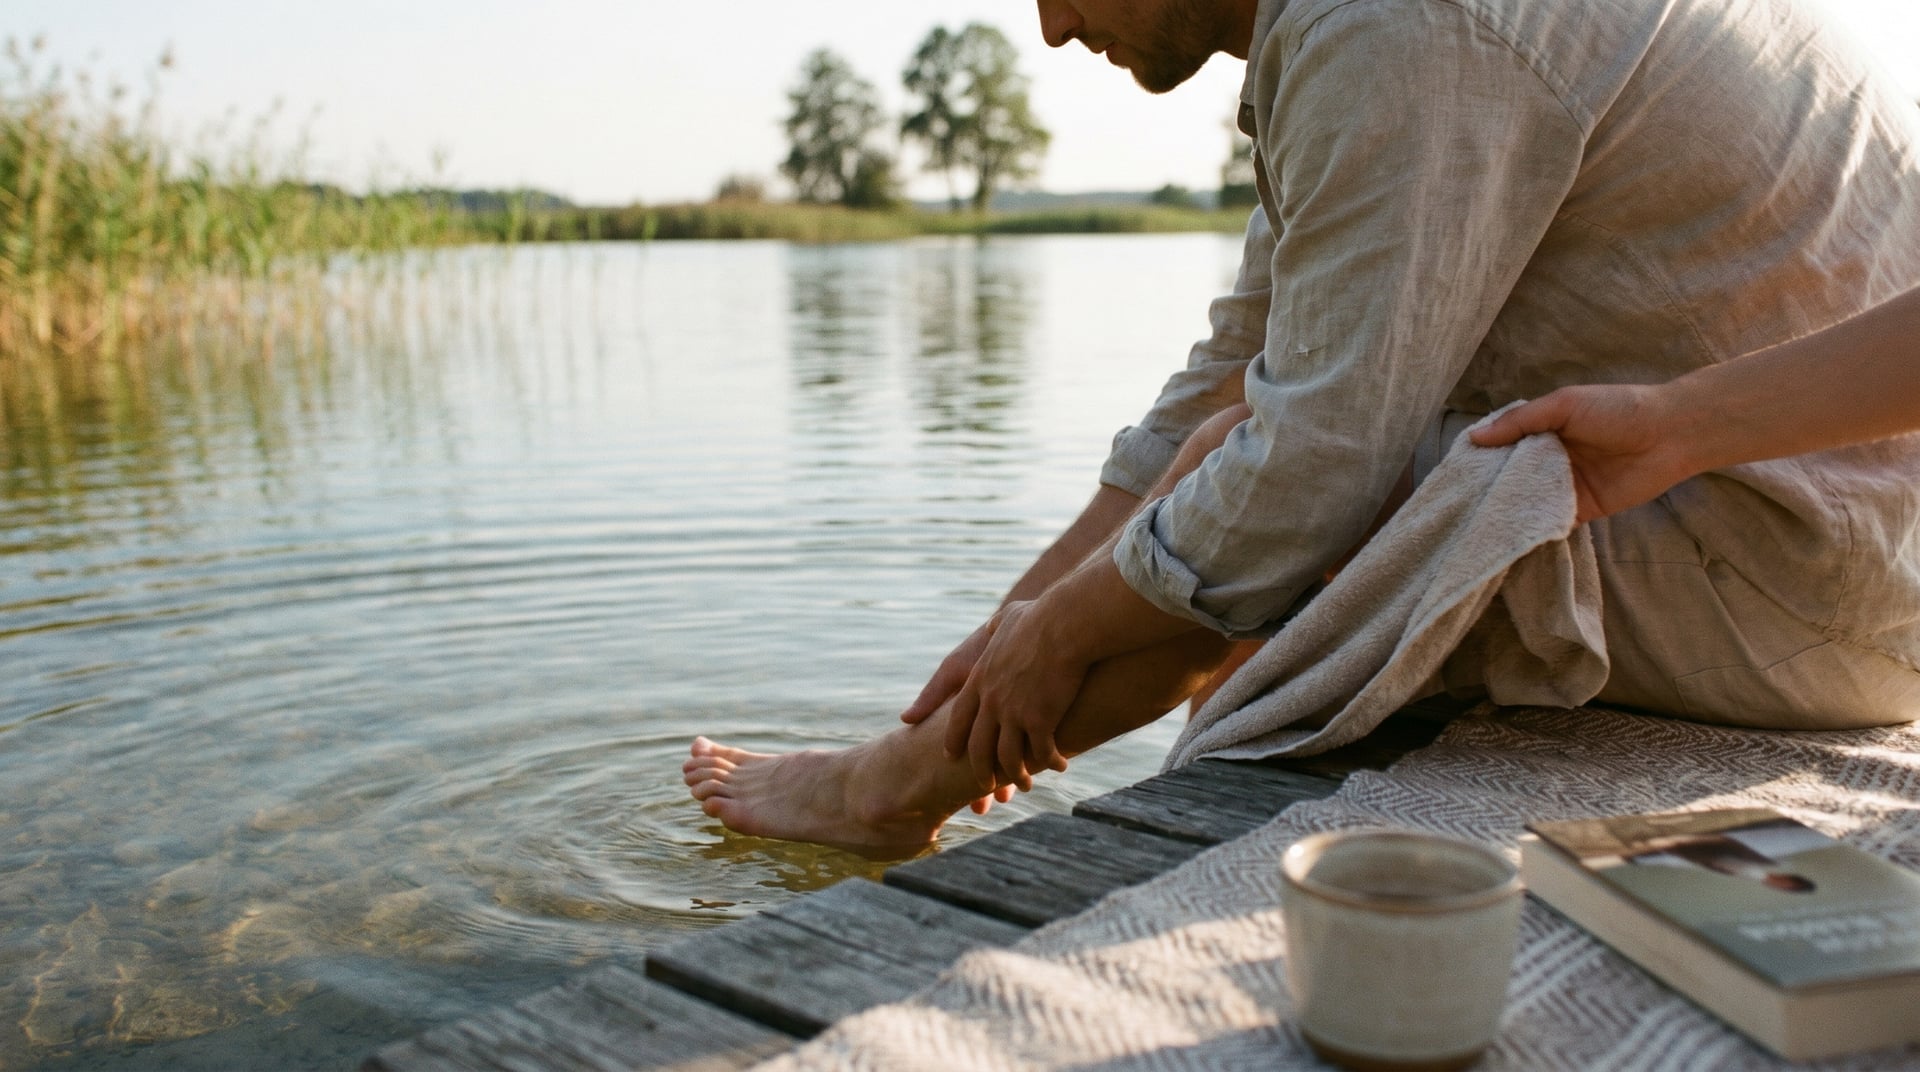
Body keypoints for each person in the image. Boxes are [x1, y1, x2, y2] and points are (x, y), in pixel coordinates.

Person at [686, 0, 1920, 856]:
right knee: (1225, 447)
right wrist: (1001, 645)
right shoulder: (1347, 33)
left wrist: (1061, 629)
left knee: (1258, 480)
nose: (1054, 28)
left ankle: (891, 796)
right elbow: (1230, 371)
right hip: (1775, 537)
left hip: (1813, 587)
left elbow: (1310, 468)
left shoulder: (1391, 24)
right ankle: (902, 775)